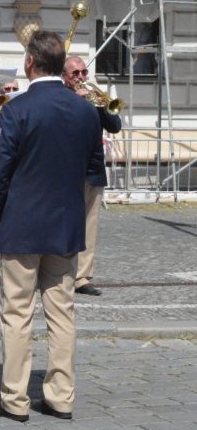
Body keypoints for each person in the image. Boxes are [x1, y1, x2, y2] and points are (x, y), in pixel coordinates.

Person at [0, 30, 102, 422]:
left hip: (22, 225)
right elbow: (91, 167)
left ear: (30, 62)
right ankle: (61, 396)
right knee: (62, 312)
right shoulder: (85, 110)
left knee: (17, 313)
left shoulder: (17, 109)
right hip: (64, 224)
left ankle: (15, 400)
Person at [64, 55, 120, 297]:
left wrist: (99, 104)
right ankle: (61, 273)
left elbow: (115, 125)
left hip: (93, 169)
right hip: (67, 170)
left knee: (89, 225)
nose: (80, 78)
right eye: (75, 73)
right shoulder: (61, 97)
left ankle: (82, 277)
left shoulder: (94, 99)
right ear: (64, 77)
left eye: (83, 73)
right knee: (65, 223)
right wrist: (76, 103)